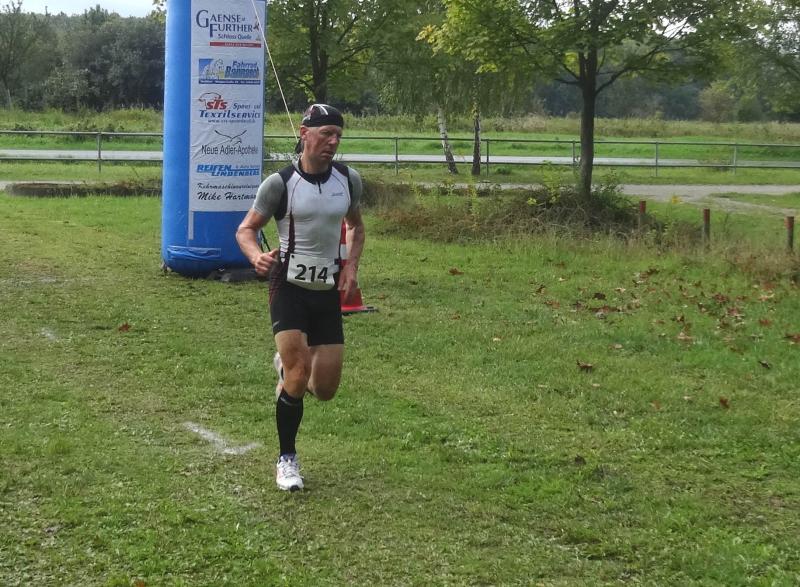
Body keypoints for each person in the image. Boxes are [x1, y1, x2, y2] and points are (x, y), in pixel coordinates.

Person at [236, 104, 365, 492]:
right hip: (288, 286)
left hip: (326, 289)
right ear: (304, 134)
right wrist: (255, 256)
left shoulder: (348, 180)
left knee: (324, 389)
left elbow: (356, 227)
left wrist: (351, 267)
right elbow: (245, 230)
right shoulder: (279, 184)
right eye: (326, 133)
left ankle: (285, 367)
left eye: (338, 135)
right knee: (298, 374)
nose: (333, 142)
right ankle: (287, 460)